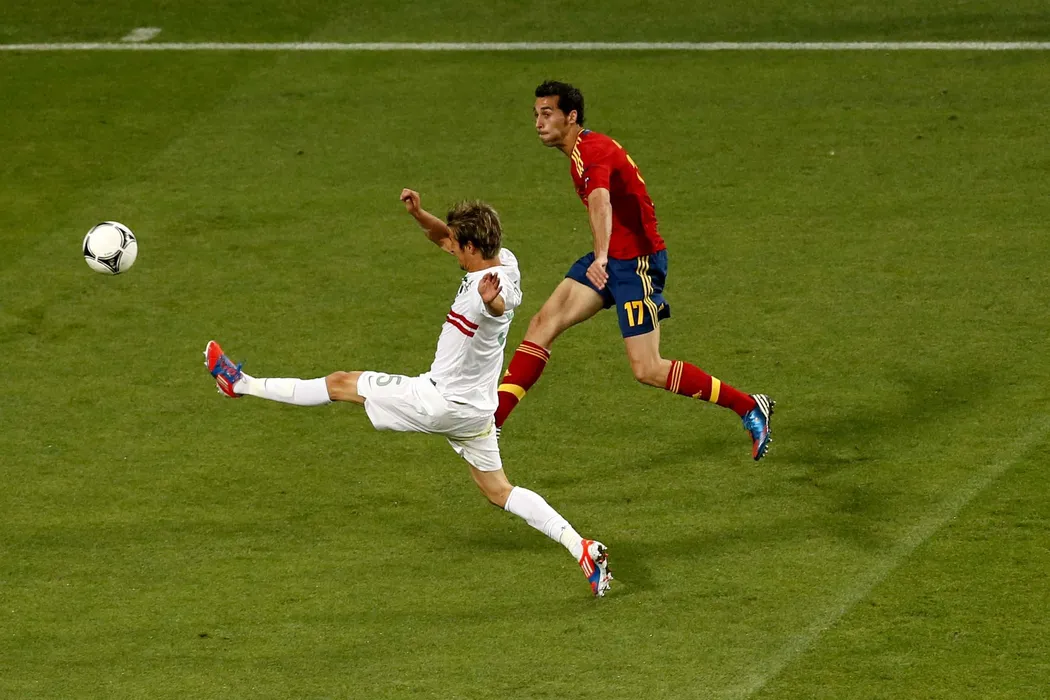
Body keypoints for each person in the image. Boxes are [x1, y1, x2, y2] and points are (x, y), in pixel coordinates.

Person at [203, 190, 612, 597]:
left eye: (458, 245)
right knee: (499, 491)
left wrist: (491, 302)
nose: (451, 248)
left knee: (341, 382)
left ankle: (238, 383)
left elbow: (497, 307)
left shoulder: (485, 293)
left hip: (435, 401)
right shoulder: (506, 261)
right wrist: (419, 214)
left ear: (472, 247)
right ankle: (580, 547)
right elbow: (443, 238)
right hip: (477, 413)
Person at [495, 80, 775, 460]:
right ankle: (491, 424)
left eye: (547, 113)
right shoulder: (581, 151)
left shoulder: (592, 150)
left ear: (571, 116)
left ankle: (748, 406)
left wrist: (601, 257)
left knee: (647, 368)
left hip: (636, 263)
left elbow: (601, 202)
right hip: (614, 258)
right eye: (536, 115)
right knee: (543, 323)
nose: (538, 123)